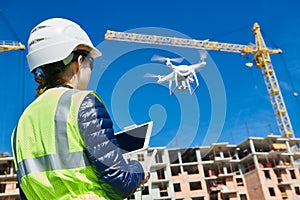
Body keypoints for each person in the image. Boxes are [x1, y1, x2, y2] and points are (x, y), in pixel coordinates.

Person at [11, 17, 150, 200]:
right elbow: (119, 181)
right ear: (79, 61)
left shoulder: (19, 128)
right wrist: (138, 170)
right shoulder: (81, 102)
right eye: (90, 62)